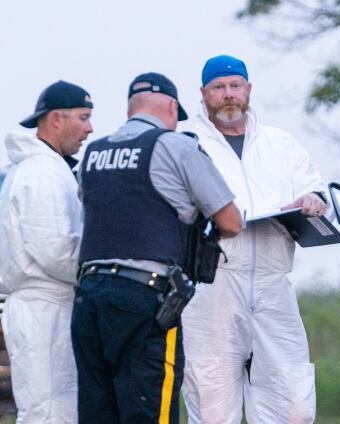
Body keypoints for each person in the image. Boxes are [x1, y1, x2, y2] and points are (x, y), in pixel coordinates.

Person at [71, 72, 242, 424]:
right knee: (150, 412)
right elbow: (231, 221)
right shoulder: (174, 145)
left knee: (98, 413)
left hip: (89, 298)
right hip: (144, 300)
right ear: (170, 106)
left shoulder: (93, 153)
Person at [181, 55, 328, 424]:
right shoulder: (187, 142)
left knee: (292, 404)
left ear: (248, 89)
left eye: (235, 86)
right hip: (212, 286)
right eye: (219, 88)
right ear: (203, 94)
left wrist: (313, 200)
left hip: (272, 283)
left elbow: (315, 189)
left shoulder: (281, 144)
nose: (228, 95)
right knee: (212, 405)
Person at [0, 80, 94, 423]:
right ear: (56, 119)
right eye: (83, 117)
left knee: (52, 406)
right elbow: (56, 252)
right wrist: (98, 271)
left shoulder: (45, 167)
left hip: (47, 306)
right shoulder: (43, 171)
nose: (90, 128)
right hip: (44, 308)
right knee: (48, 410)